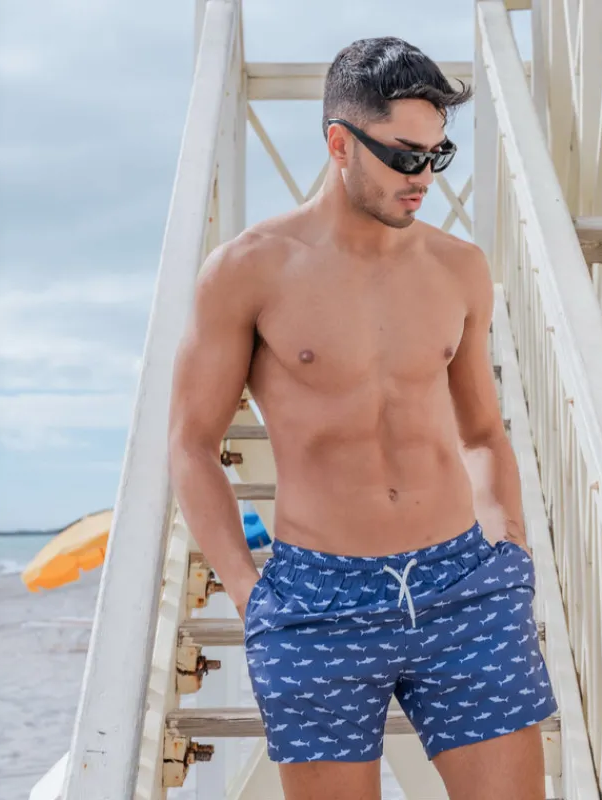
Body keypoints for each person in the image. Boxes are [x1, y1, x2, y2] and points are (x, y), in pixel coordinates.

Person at [168, 36, 558, 800]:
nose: (424, 179)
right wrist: (250, 595)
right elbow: (191, 444)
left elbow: (482, 433)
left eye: (438, 156)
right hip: (317, 601)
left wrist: (508, 547)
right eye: (405, 156)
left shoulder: (459, 268)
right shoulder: (248, 270)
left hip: (465, 585)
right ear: (339, 143)